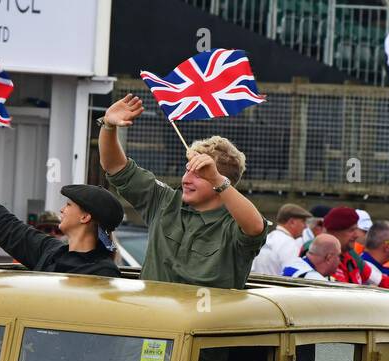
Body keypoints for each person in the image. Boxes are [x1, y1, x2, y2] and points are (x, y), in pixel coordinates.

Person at [98, 94, 270, 289]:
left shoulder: (233, 223)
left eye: (199, 173)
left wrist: (216, 179)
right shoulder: (165, 201)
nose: (186, 179)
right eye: (187, 169)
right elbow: (115, 167)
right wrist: (108, 126)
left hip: (205, 318)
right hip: (152, 314)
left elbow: (256, 227)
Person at [0, 155, 120, 278]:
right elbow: (6, 226)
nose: (62, 210)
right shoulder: (50, 252)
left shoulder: (104, 272)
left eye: (68, 205)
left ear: (85, 217)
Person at [251, 202, 310, 277]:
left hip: (257, 285)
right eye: (303, 221)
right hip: (276, 287)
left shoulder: (268, 238)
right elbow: (292, 276)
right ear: (292, 222)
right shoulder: (289, 244)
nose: (305, 226)